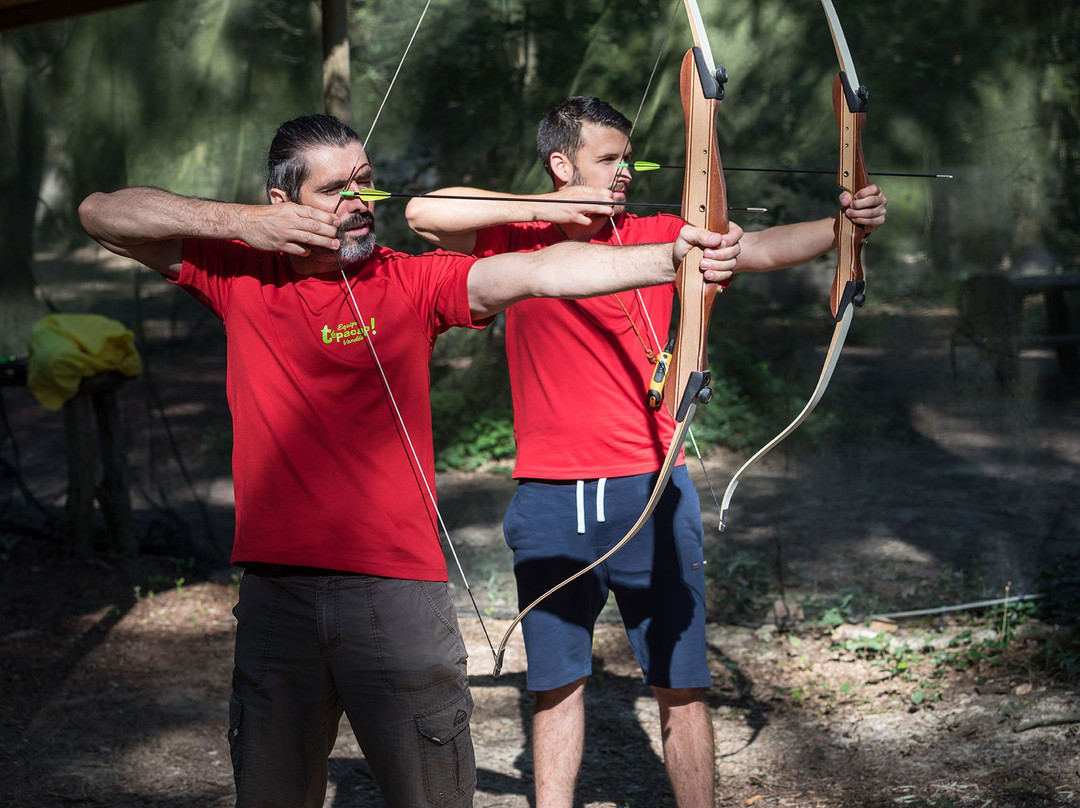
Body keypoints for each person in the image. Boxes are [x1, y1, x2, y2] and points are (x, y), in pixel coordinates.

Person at [76, 113, 737, 808]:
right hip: (277, 593)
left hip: (395, 596)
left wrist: (672, 259)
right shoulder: (240, 274)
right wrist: (243, 224)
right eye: (336, 189)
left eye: (365, 182)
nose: (360, 200)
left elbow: (541, 270)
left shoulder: (410, 280)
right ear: (282, 203)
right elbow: (101, 214)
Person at [405, 96, 888, 808]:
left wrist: (844, 227)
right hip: (550, 494)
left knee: (681, 685)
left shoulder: (660, 234)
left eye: (628, 159)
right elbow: (422, 212)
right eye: (608, 159)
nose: (625, 171)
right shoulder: (515, 236)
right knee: (555, 684)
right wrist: (551, 208)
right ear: (561, 163)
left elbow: (754, 248)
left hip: (652, 486)